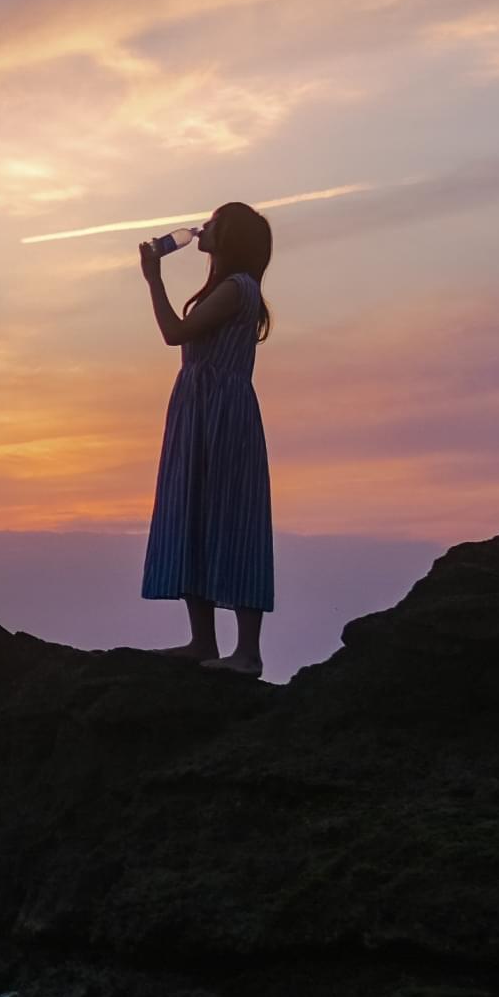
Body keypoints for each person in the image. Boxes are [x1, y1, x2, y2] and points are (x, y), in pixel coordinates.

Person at [136, 200, 273, 674]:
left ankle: (247, 653)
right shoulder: (230, 287)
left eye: (215, 224)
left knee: (232, 517)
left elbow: (174, 333)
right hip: (201, 408)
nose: (204, 228)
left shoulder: (236, 288)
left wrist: (153, 279)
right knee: (194, 511)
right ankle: (203, 642)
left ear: (230, 238)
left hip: (221, 413)